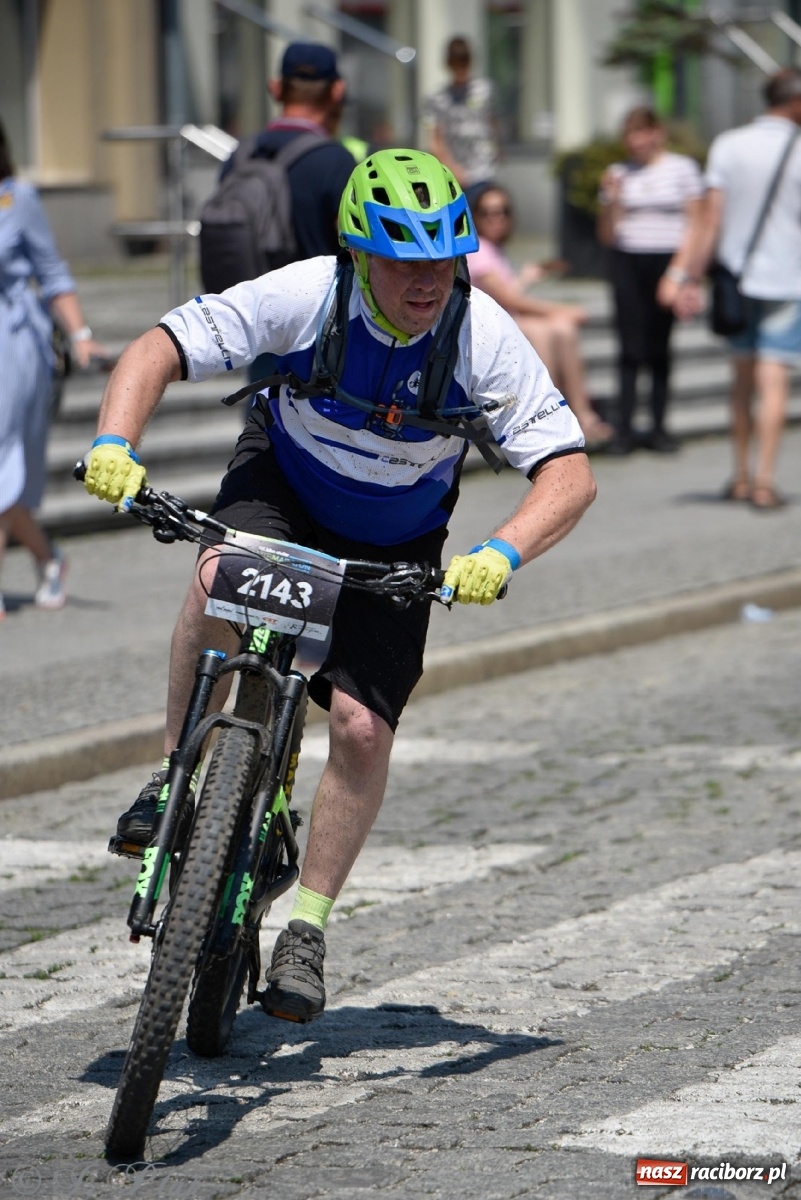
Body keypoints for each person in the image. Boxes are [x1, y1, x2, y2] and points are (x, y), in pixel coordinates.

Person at [81, 149, 596, 1023]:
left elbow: (568, 473)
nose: (428, 279)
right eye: (404, 259)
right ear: (359, 253)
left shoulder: (482, 337)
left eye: (444, 257)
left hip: (397, 530)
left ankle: (308, 928)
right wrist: (114, 443)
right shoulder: (307, 293)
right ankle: (174, 777)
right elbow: (157, 347)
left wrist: (500, 554)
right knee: (215, 580)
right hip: (284, 483)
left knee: (359, 725)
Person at [658, 70, 801, 509]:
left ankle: (739, 475)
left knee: (740, 380)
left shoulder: (728, 144)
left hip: (734, 280)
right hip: (787, 280)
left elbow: (710, 221)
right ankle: (763, 482)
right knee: (773, 381)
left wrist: (687, 277)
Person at [0, 118, 107, 620]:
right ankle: (48, 557)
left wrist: (80, 335)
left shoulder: (16, 198)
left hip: (12, 342)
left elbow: (52, 272)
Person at [220, 42, 356, 384]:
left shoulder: (240, 156)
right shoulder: (336, 161)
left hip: (258, 325)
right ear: (337, 91)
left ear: (276, 88)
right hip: (320, 334)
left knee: (261, 426)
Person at [469, 182, 613, 448]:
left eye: (502, 212)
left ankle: (576, 412)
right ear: (474, 216)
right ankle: (555, 412)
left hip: (503, 320)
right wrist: (562, 309)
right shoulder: (478, 251)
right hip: (489, 329)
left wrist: (527, 277)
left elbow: (505, 295)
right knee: (548, 329)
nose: (496, 218)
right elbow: (509, 300)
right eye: (487, 212)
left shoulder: (490, 249)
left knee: (562, 329)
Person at [597, 106, 704, 455]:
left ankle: (659, 426)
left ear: (657, 133)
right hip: (629, 260)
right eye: (631, 134)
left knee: (660, 345)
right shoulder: (618, 172)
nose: (637, 141)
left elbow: (697, 224)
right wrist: (612, 199)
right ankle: (624, 428)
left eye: (643, 132)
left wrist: (679, 274)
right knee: (629, 347)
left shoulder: (682, 169)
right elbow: (608, 234)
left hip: (667, 259)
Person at [422, 36, 500, 204]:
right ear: (448, 64)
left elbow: (492, 123)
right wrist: (453, 169)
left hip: (483, 169)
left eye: (464, 62)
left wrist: (497, 150)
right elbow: (434, 140)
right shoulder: (437, 99)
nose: (460, 69)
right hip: (453, 173)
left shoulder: (484, 91)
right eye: (455, 63)